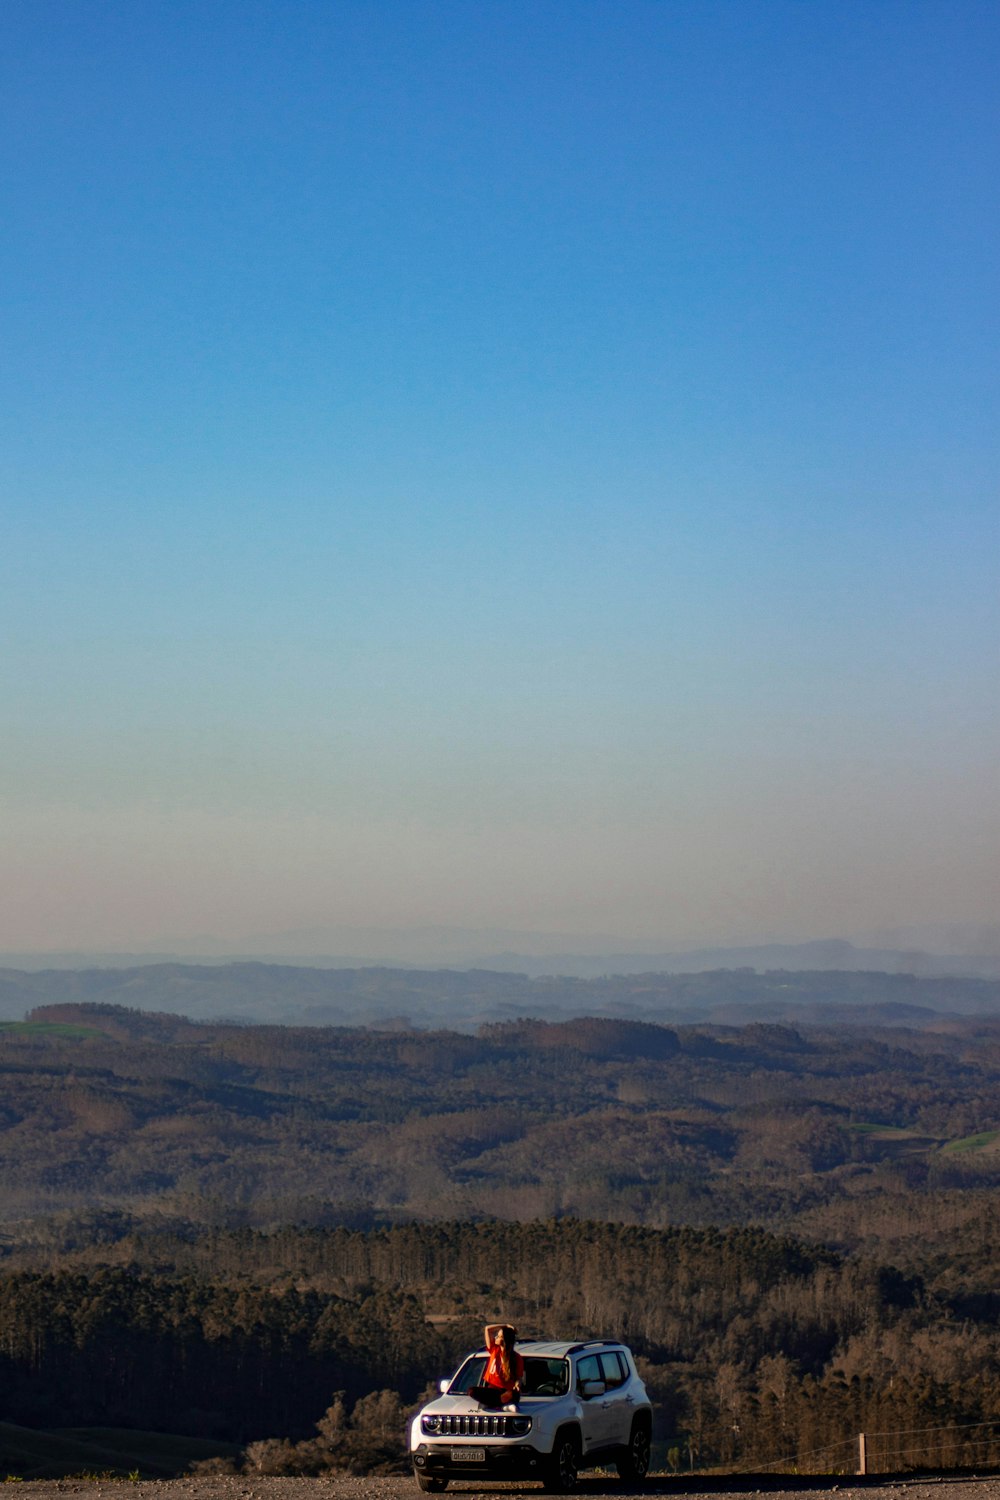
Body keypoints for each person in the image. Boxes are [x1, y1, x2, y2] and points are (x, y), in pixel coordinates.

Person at [467, 1323, 524, 1408]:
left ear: (504, 1340)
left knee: (512, 1394)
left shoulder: (516, 1357)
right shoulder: (494, 1350)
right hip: (492, 1390)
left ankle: (496, 1403)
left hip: (506, 1391)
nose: (495, 1338)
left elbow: (518, 1378)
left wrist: (517, 1385)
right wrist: (505, 1325)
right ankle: (502, 1405)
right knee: (471, 1391)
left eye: (499, 1336)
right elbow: (487, 1329)